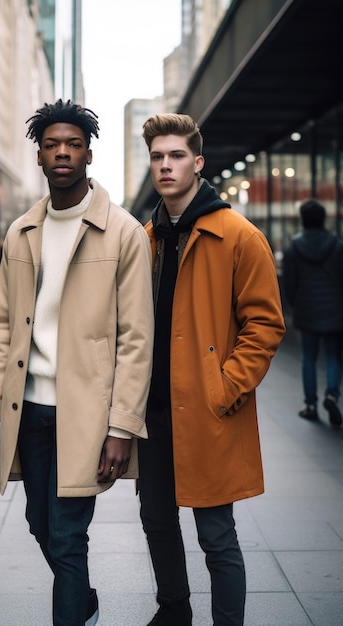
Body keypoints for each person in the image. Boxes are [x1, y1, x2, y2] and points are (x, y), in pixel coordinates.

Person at [0, 99, 154, 626]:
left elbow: (136, 339)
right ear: (38, 156)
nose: (62, 153)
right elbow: (2, 327)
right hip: (28, 409)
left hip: (87, 415)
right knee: (39, 523)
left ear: (89, 154)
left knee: (68, 534)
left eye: (72, 144)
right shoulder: (21, 232)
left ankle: (75, 616)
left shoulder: (121, 232)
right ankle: (87, 602)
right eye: (52, 144)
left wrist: (122, 426)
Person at [137, 113, 286, 626]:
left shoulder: (238, 236)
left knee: (216, 534)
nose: (165, 165)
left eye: (176, 155)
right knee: (156, 520)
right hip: (151, 412)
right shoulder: (145, 238)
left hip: (208, 408)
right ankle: (173, 611)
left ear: (198, 163)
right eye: (157, 156)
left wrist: (227, 386)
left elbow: (265, 324)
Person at [282, 199, 343, 426]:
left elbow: (289, 284)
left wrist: (295, 303)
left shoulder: (293, 248)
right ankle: (332, 395)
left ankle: (309, 404)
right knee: (334, 356)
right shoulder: (337, 246)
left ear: (303, 220)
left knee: (308, 357)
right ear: (323, 219)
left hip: (307, 309)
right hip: (336, 310)